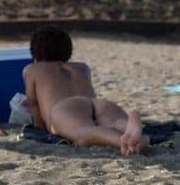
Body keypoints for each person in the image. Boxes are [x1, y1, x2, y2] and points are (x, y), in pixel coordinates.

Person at [23, 26, 147, 155]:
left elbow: (33, 104)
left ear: (35, 52)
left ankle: (121, 142)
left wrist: (40, 126)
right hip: (96, 104)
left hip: (65, 108)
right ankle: (133, 131)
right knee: (112, 123)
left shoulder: (32, 69)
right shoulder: (82, 67)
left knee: (86, 132)